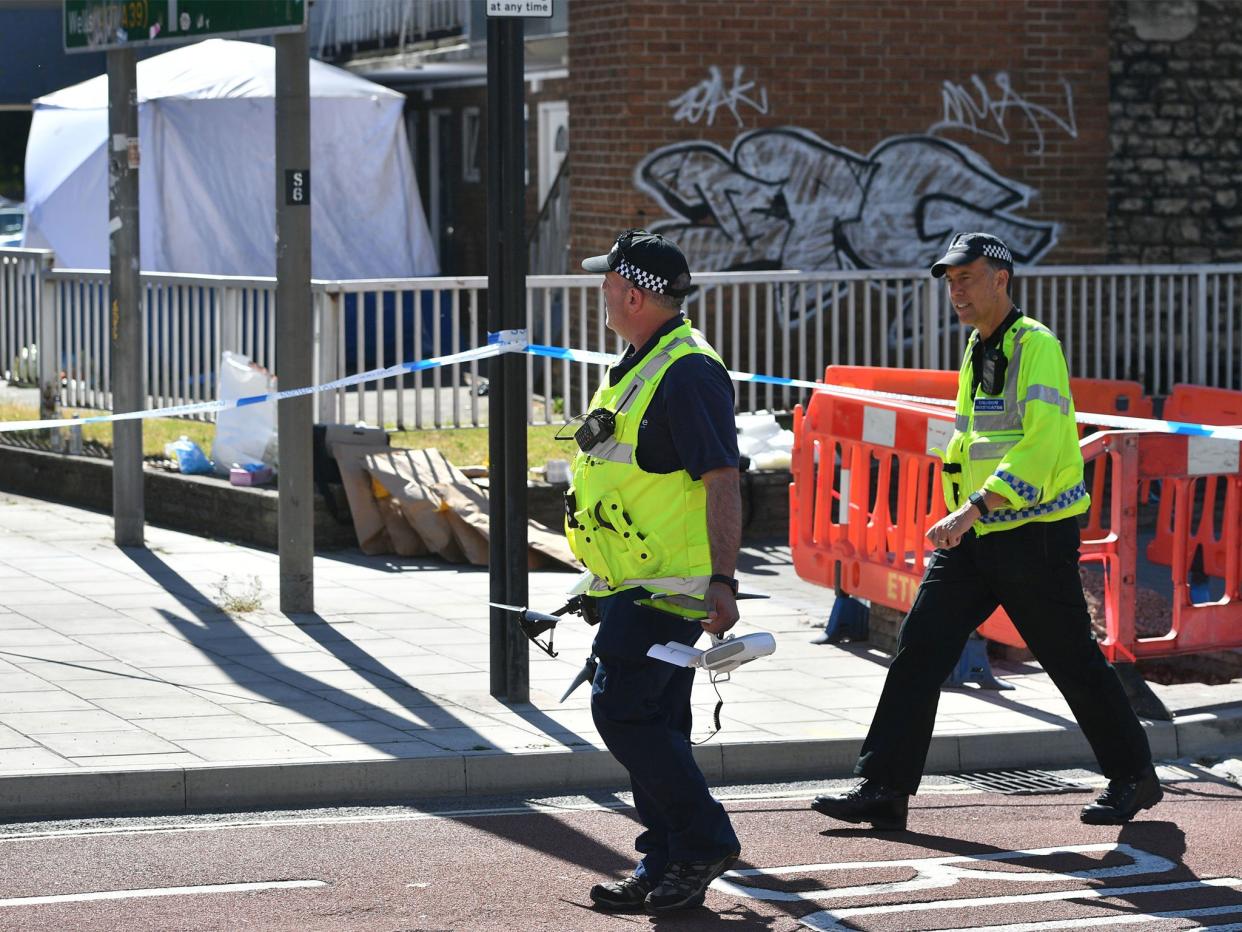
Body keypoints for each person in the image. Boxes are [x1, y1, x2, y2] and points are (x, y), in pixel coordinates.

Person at [811, 232, 1162, 831]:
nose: (956, 292)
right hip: (976, 536)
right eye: (949, 281)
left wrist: (972, 505)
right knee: (919, 650)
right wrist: (961, 513)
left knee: (1069, 658)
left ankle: (1135, 776)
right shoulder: (978, 345)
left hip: (1032, 535)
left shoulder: (1036, 345)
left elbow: (1043, 442)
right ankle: (885, 787)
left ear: (1001, 279)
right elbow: (972, 439)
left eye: (966, 278)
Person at [570, 229, 742, 914]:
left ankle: (701, 840)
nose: (603, 294)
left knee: (622, 710)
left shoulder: (688, 371)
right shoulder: (643, 361)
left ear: (633, 293)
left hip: (669, 588)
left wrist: (723, 582)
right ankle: (668, 857)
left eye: (608, 282)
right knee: (657, 723)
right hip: (634, 582)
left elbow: (723, 478)